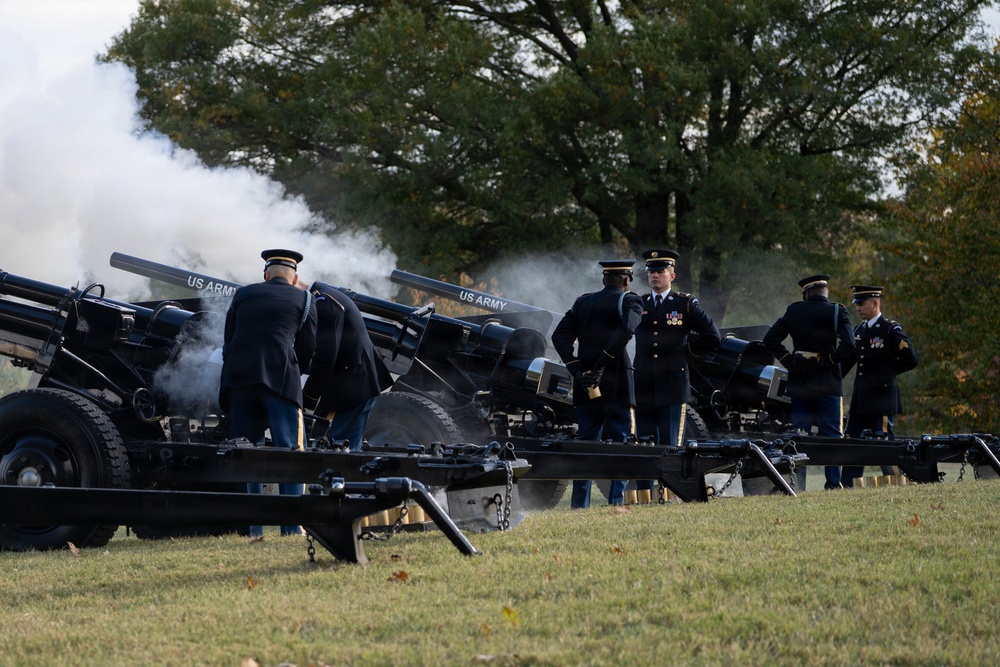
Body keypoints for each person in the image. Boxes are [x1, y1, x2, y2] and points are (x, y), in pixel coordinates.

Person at [220, 249, 318, 537]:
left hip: (239, 379)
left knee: (245, 452)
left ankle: (251, 528)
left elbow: (228, 342)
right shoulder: (305, 298)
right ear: (294, 277)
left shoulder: (242, 295)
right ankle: (291, 526)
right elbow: (308, 349)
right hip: (280, 379)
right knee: (291, 452)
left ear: (265, 274)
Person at [551, 259, 643, 508]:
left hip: (586, 384)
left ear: (604, 280)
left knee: (586, 442)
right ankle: (615, 501)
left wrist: (578, 369)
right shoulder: (630, 300)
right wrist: (603, 363)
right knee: (622, 442)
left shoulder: (583, 302)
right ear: (626, 280)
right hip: (617, 383)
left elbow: (559, 337)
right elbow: (627, 330)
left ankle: (580, 504)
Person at [632, 249, 721, 497]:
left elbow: (712, 336)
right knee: (645, 441)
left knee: (670, 443)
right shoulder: (639, 303)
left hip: (672, 382)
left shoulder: (685, 304)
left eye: (660, 272)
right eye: (651, 272)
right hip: (644, 382)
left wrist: (686, 352)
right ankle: (644, 494)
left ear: (672, 275)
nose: (655, 276)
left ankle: (669, 493)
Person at [762, 274, 855, 490]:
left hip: (800, 382)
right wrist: (830, 361)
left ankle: (797, 484)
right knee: (832, 435)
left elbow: (770, 339)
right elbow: (849, 345)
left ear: (807, 293)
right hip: (828, 383)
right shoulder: (837, 311)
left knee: (799, 435)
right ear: (825, 292)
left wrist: (788, 361)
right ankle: (833, 483)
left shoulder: (794, 310)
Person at [840, 285, 919, 487]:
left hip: (882, 398)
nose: (857, 308)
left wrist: (888, 373)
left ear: (875, 303)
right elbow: (847, 362)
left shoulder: (890, 329)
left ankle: (897, 484)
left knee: (883, 442)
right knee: (853, 442)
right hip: (861, 399)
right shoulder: (858, 331)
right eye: (856, 304)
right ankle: (848, 485)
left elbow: (911, 359)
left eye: (861, 304)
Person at [302, 282, 394, 449]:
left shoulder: (324, 302)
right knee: (350, 446)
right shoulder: (325, 296)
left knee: (340, 446)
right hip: (359, 382)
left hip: (352, 385)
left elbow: (326, 357)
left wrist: (307, 398)